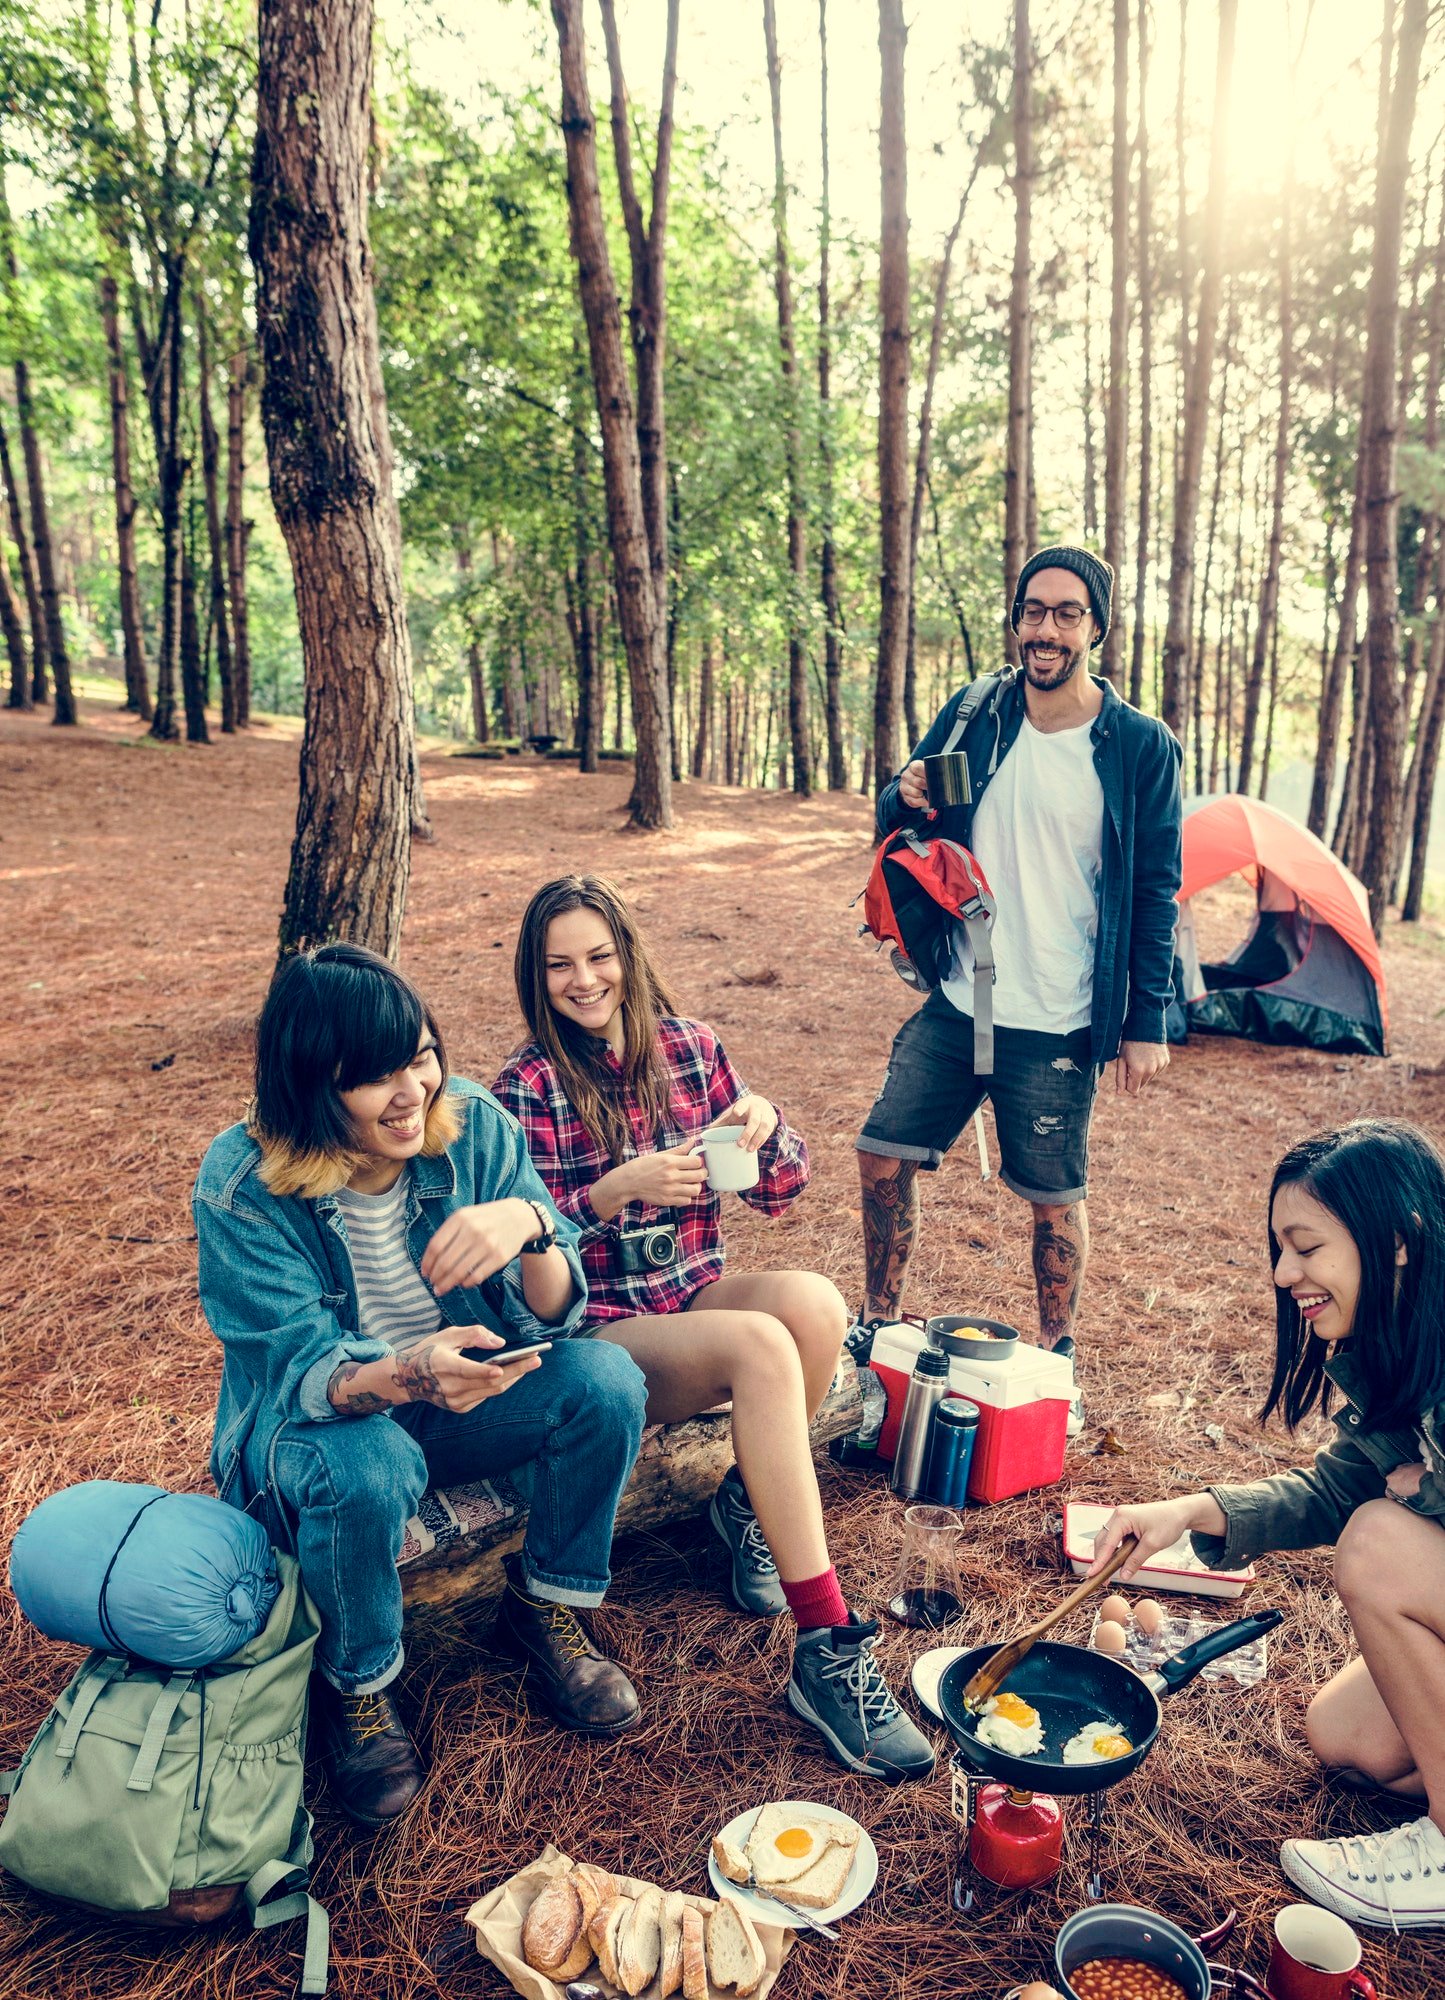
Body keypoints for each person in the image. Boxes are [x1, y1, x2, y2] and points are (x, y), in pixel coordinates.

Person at [193, 944, 650, 1828]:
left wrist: (531, 1224)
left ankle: (542, 1608)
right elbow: (303, 1375)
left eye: (421, 1057)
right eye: (374, 1077)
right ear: (309, 1088)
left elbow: (555, 1316)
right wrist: (412, 1375)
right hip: (321, 1431)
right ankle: (357, 1685)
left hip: (455, 1403)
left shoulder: (472, 1125)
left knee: (604, 1381)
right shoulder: (243, 1184)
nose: (412, 1093)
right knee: (369, 1466)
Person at [491, 874, 935, 1783]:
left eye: (599, 957)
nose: (584, 980)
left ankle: (744, 1507)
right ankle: (826, 1644)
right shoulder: (525, 1088)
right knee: (760, 1343)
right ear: (537, 976)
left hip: (689, 1293)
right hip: (602, 1334)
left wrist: (767, 1128)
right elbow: (518, 1266)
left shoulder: (690, 1049)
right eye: (560, 965)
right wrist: (611, 1193)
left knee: (815, 1304)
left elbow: (782, 1192)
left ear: (628, 955)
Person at [1089, 1119, 1445, 1932]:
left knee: (1378, 1543)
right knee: (1350, 1740)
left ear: (1396, 1241)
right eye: (1280, 1249)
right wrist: (1188, 1511)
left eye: (1306, 1247)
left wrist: (1424, 1492)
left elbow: (1377, 1520)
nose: (1285, 1274)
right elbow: (1335, 1488)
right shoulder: (1399, 1341)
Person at [856, 545, 1182, 1428]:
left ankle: (1054, 1359)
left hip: (1059, 1013)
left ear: (1095, 629)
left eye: (1067, 613)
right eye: (1033, 610)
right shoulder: (976, 711)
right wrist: (902, 792)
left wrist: (1144, 1018)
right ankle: (874, 1330)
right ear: (1016, 620)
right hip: (963, 995)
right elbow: (899, 813)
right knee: (881, 1154)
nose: (1046, 629)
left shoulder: (1139, 746)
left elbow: (1156, 886)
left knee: (1052, 1201)